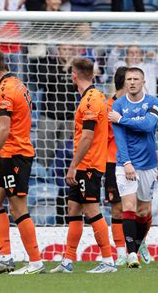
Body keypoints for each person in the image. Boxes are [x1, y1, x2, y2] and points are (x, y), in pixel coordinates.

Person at [0, 49, 45, 275]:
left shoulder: (4, 91)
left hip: (16, 154)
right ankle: (5, 257)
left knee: (18, 209)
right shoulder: (16, 83)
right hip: (10, 155)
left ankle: (35, 261)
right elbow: (6, 108)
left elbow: (4, 129)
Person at [51, 58, 116, 274]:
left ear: (74, 75)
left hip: (88, 165)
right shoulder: (91, 97)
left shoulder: (91, 100)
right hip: (86, 164)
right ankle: (68, 260)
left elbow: (87, 137)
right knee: (74, 208)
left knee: (91, 209)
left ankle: (108, 260)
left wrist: (73, 166)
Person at [108, 67, 158, 268]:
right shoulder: (118, 104)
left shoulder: (153, 102)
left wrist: (122, 120)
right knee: (127, 207)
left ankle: (138, 247)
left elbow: (148, 126)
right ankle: (131, 255)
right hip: (125, 163)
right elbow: (119, 138)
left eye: (136, 79)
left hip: (148, 164)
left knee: (143, 211)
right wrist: (127, 163)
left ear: (143, 81)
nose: (131, 82)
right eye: (129, 79)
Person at [105, 66, 128, 266]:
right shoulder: (107, 107)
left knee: (138, 209)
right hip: (113, 163)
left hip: (136, 162)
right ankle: (121, 251)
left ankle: (137, 246)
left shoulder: (137, 105)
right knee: (118, 209)